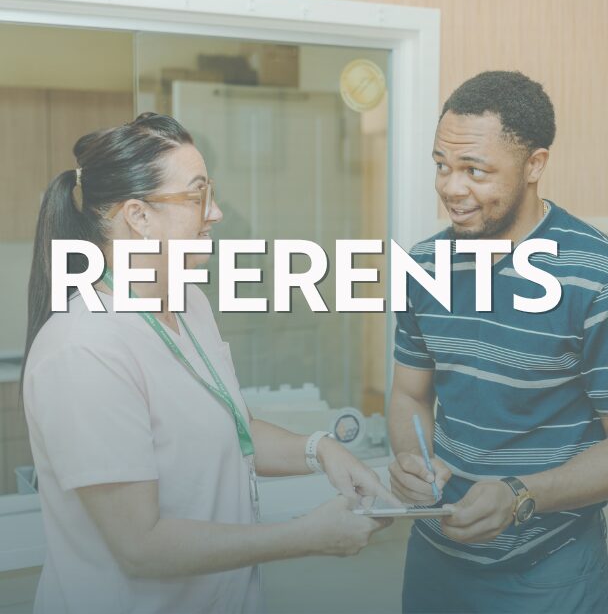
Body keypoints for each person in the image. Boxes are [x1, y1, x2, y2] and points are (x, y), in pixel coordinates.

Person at [22, 113, 396, 614]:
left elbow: (229, 426)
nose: (215, 212)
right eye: (197, 196)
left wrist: (321, 449)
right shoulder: (84, 348)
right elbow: (140, 545)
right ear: (139, 216)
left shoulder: (189, 304)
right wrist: (304, 536)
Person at [388, 71, 608, 613]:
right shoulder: (424, 265)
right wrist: (412, 459)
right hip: (434, 555)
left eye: (475, 170)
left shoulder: (593, 274)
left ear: (534, 165)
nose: (450, 187)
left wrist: (521, 496)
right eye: (442, 165)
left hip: (550, 568)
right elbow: (409, 394)